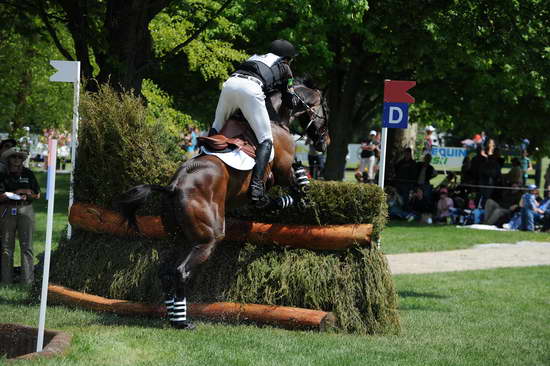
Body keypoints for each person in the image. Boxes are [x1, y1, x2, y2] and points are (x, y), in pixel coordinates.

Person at [210, 39, 298, 205]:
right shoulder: (285, 66)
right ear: (287, 58)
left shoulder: (254, 57)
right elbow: (289, 101)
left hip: (229, 85)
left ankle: (203, 158)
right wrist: (291, 94)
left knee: (217, 127)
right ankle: (256, 186)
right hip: (251, 89)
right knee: (266, 140)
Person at [0, 147, 40, 284]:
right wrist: (11, 194)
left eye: (19, 157)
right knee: (6, 247)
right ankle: (6, 281)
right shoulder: (3, 176)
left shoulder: (29, 174)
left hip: (26, 210)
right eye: (13, 157)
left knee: (27, 246)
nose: (17, 159)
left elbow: (37, 194)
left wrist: (28, 193)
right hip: (8, 210)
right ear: (8, 159)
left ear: (23, 159)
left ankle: (27, 282)